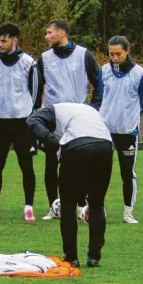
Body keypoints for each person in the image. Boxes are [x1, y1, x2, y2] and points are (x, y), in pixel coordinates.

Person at [27, 103, 113, 268]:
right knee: (97, 204)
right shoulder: (86, 110)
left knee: (68, 204)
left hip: (76, 146)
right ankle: (94, 257)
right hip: (105, 146)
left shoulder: (52, 111)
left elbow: (32, 120)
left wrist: (50, 141)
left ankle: (71, 257)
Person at [37, 19, 102, 220]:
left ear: (62, 33)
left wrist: (94, 108)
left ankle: (82, 206)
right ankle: (53, 206)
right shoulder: (44, 58)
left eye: (50, 33)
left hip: (78, 119)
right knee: (50, 163)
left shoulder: (84, 55)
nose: (47, 37)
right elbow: (37, 88)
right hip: (53, 118)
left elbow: (99, 82)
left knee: (78, 164)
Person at [0, 22, 39, 222]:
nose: (0, 43)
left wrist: (26, 111)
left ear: (14, 40)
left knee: (26, 165)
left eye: (4, 40)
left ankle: (29, 208)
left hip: (23, 122)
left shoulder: (28, 62)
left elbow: (35, 91)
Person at [98, 36, 143, 224]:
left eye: (118, 54)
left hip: (128, 131)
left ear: (127, 51)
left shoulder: (140, 74)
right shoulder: (103, 71)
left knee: (127, 173)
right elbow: (99, 96)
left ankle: (128, 212)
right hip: (104, 129)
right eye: (111, 54)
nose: (114, 57)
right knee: (100, 171)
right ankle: (98, 209)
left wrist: (130, 116)